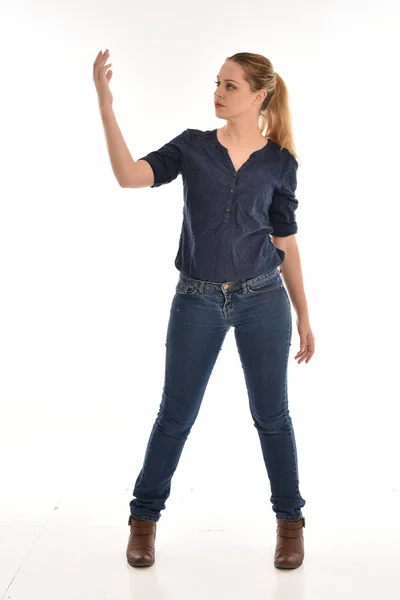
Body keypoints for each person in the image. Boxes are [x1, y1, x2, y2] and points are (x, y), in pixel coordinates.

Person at [93, 50, 315, 570]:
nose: (218, 92)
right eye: (217, 83)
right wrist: (106, 105)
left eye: (231, 86)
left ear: (259, 96)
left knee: (273, 417)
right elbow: (129, 176)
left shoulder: (281, 163)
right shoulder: (192, 148)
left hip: (264, 298)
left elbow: (286, 242)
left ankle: (290, 523)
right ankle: (143, 519)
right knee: (176, 415)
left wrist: (304, 313)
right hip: (196, 298)